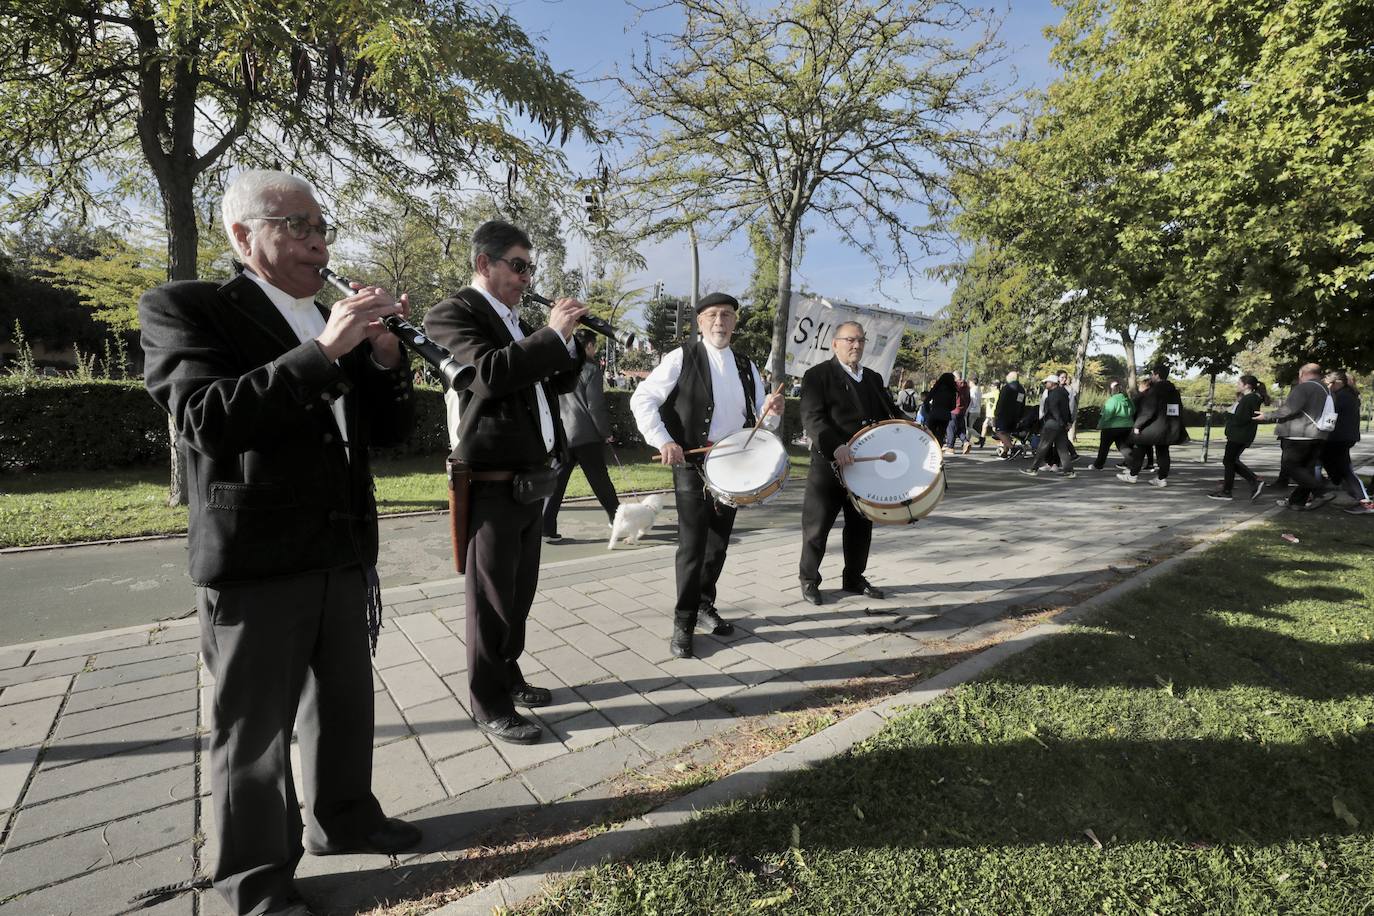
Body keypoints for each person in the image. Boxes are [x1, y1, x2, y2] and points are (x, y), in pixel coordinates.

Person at [139, 170, 420, 915]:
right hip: (257, 558)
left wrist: (388, 362)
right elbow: (206, 418)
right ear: (241, 235)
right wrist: (323, 352)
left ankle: (345, 820)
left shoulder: (331, 318)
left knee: (343, 702)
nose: (316, 241)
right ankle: (255, 885)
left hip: (340, 548)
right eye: (295, 225)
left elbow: (385, 435)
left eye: (320, 225)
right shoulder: (188, 308)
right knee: (253, 733)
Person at [424, 220, 587, 745]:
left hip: (530, 480)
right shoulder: (451, 314)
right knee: (490, 600)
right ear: (483, 264)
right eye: (517, 265)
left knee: (518, 595)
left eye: (529, 267)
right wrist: (551, 333)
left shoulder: (516, 321)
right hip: (490, 482)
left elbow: (552, 379)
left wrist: (573, 346)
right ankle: (488, 702)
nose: (525, 277)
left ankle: (508, 674)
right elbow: (491, 375)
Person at [630, 292, 784, 658]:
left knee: (718, 543)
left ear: (735, 322)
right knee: (692, 544)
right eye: (713, 315)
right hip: (691, 463)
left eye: (727, 315)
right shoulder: (682, 356)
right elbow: (642, 398)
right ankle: (683, 620)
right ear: (700, 321)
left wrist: (772, 410)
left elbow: (759, 422)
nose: (720, 321)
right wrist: (664, 440)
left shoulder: (746, 365)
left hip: (734, 465)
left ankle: (703, 605)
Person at [797, 321, 900, 606]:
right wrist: (835, 446)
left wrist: (918, 431)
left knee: (860, 525)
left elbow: (890, 413)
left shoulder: (873, 379)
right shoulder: (817, 375)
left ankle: (854, 577)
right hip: (829, 467)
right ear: (835, 343)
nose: (856, 345)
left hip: (865, 467)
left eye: (861, 341)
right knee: (817, 527)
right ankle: (809, 580)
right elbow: (813, 418)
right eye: (850, 340)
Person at [543, 330, 620, 542]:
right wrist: (606, 433)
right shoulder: (590, 368)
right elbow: (595, 405)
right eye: (593, 346)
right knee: (600, 480)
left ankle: (546, 527)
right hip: (586, 434)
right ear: (587, 346)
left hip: (561, 433)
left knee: (555, 482)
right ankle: (617, 519)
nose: (594, 350)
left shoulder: (557, 367)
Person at [1257, 362, 1335, 510]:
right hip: (1319, 434)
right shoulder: (1329, 391)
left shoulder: (1304, 387)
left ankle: (1321, 491)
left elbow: (1289, 409)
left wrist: (1267, 415)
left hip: (1298, 434)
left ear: (1303, 374)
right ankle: (1297, 502)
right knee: (1306, 470)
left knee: (1290, 466)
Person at [1118, 364, 1181, 487]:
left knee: (1140, 448)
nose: (1151, 377)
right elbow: (1177, 409)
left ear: (1156, 375)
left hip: (1152, 427)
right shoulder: (1174, 391)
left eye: (1152, 374)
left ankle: (1133, 475)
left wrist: (1138, 425)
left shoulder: (1155, 390)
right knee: (1163, 452)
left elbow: (1149, 410)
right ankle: (1161, 478)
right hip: (1167, 425)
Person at [1207, 375, 1269, 501]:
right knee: (1230, 461)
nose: (1237, 385)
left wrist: (1226, 415)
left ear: (1246, 385)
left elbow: (1241, 419)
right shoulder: (1251, 398)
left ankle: (1231, 489)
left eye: (1239, 383)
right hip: (1242, 435)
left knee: (1229, 461)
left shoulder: (1248, 399)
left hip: (1239, 435)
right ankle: (1249, 482)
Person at [1321, 371, 1370, 511]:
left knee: (1344, 468)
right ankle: (1339, 483)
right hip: (1343, 437)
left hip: (1339, 437)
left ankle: (1362, 499)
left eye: (1329, 384)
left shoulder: (1340, 396)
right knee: (1336, 464)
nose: (1328, 387)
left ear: (1338, 383)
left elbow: (1330, 414)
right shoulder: (1348, 395)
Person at [1021, 375, 1075, 477]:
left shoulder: (1053, 395)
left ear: (1053, 383)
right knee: (1062, 448)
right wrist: (1067, 422)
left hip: (1052, 423)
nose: (1045, 384)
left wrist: (1058, 421)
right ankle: (1069, 471)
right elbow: (1067, 410)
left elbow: (1054, 410)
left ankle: (1033, 468)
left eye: (1047, 382)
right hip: (1061, 424)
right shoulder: (1064, 394)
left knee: (1043, 446)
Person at [1090, 379, 1134, 470]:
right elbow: (1133, 410)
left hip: (1111, 427)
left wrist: (1100, 425)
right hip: (1127, 426)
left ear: (1113, 390)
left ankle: (1098, 465)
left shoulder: (1112, 400)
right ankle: (1133, 462)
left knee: (1104, 447)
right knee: (1123, 447)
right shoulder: (1128, 400)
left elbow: (1107, 414)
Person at [993, 371, 1026, 457]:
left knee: (999, 432)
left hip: (1004, 414)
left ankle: (1012, 448)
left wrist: (996, 412)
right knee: (1007, 433)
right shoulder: (1021, 389)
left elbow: (1001, 402)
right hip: (1016, 415)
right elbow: (1021, 403)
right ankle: (1005, 451)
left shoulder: (1007, 388)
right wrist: (1020, 415)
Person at [923, 371, 957, 447]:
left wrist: (929, 411)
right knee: (940, 435)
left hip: (934, 413)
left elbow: (926, 401)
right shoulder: (952, 391)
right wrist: (947, 409)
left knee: (930, 434)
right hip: (945, 415)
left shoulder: (936, 388)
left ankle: (929, 449)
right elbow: (953, 406)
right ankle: (938, 451)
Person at [945, 370, 971, 454]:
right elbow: (969, 399)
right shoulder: (966, 386)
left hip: (953, 410)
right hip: (962, 410)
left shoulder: (954, 386)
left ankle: (950, 447)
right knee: (960, 429)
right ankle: (965, 442)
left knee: (951, 429)